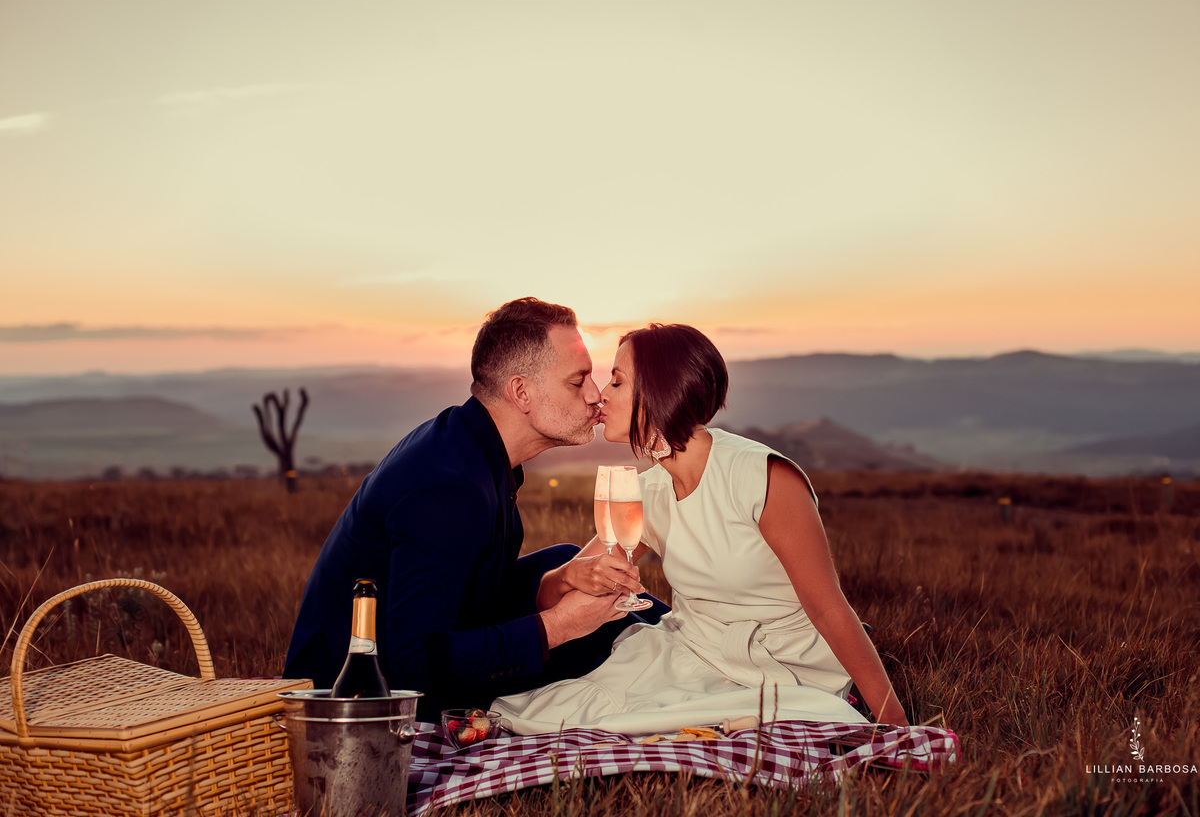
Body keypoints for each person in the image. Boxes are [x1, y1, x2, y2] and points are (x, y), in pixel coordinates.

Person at [493, 323, 910, 734]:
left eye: (617, 382)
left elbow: (828, 608)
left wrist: (896, 726)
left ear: (658, 392)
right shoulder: (645, 493)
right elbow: (556, 591)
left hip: (784, 669)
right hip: (689, 652)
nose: (602, 394)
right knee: (549, 715)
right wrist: (568, 575)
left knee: (644, 726)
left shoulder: (762, 477)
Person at [283, 298, 658, 722]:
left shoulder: (471, 443)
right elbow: (414, 666)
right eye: (577, 381)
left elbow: (467, 593)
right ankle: (688, 656)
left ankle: (682, 643)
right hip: (352, 699)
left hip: (405, 657)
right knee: (600, 631)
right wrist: (559, 626)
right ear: (521, 392)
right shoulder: (447, 487)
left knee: (564, 563)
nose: (594, 395)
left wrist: (554, 583)